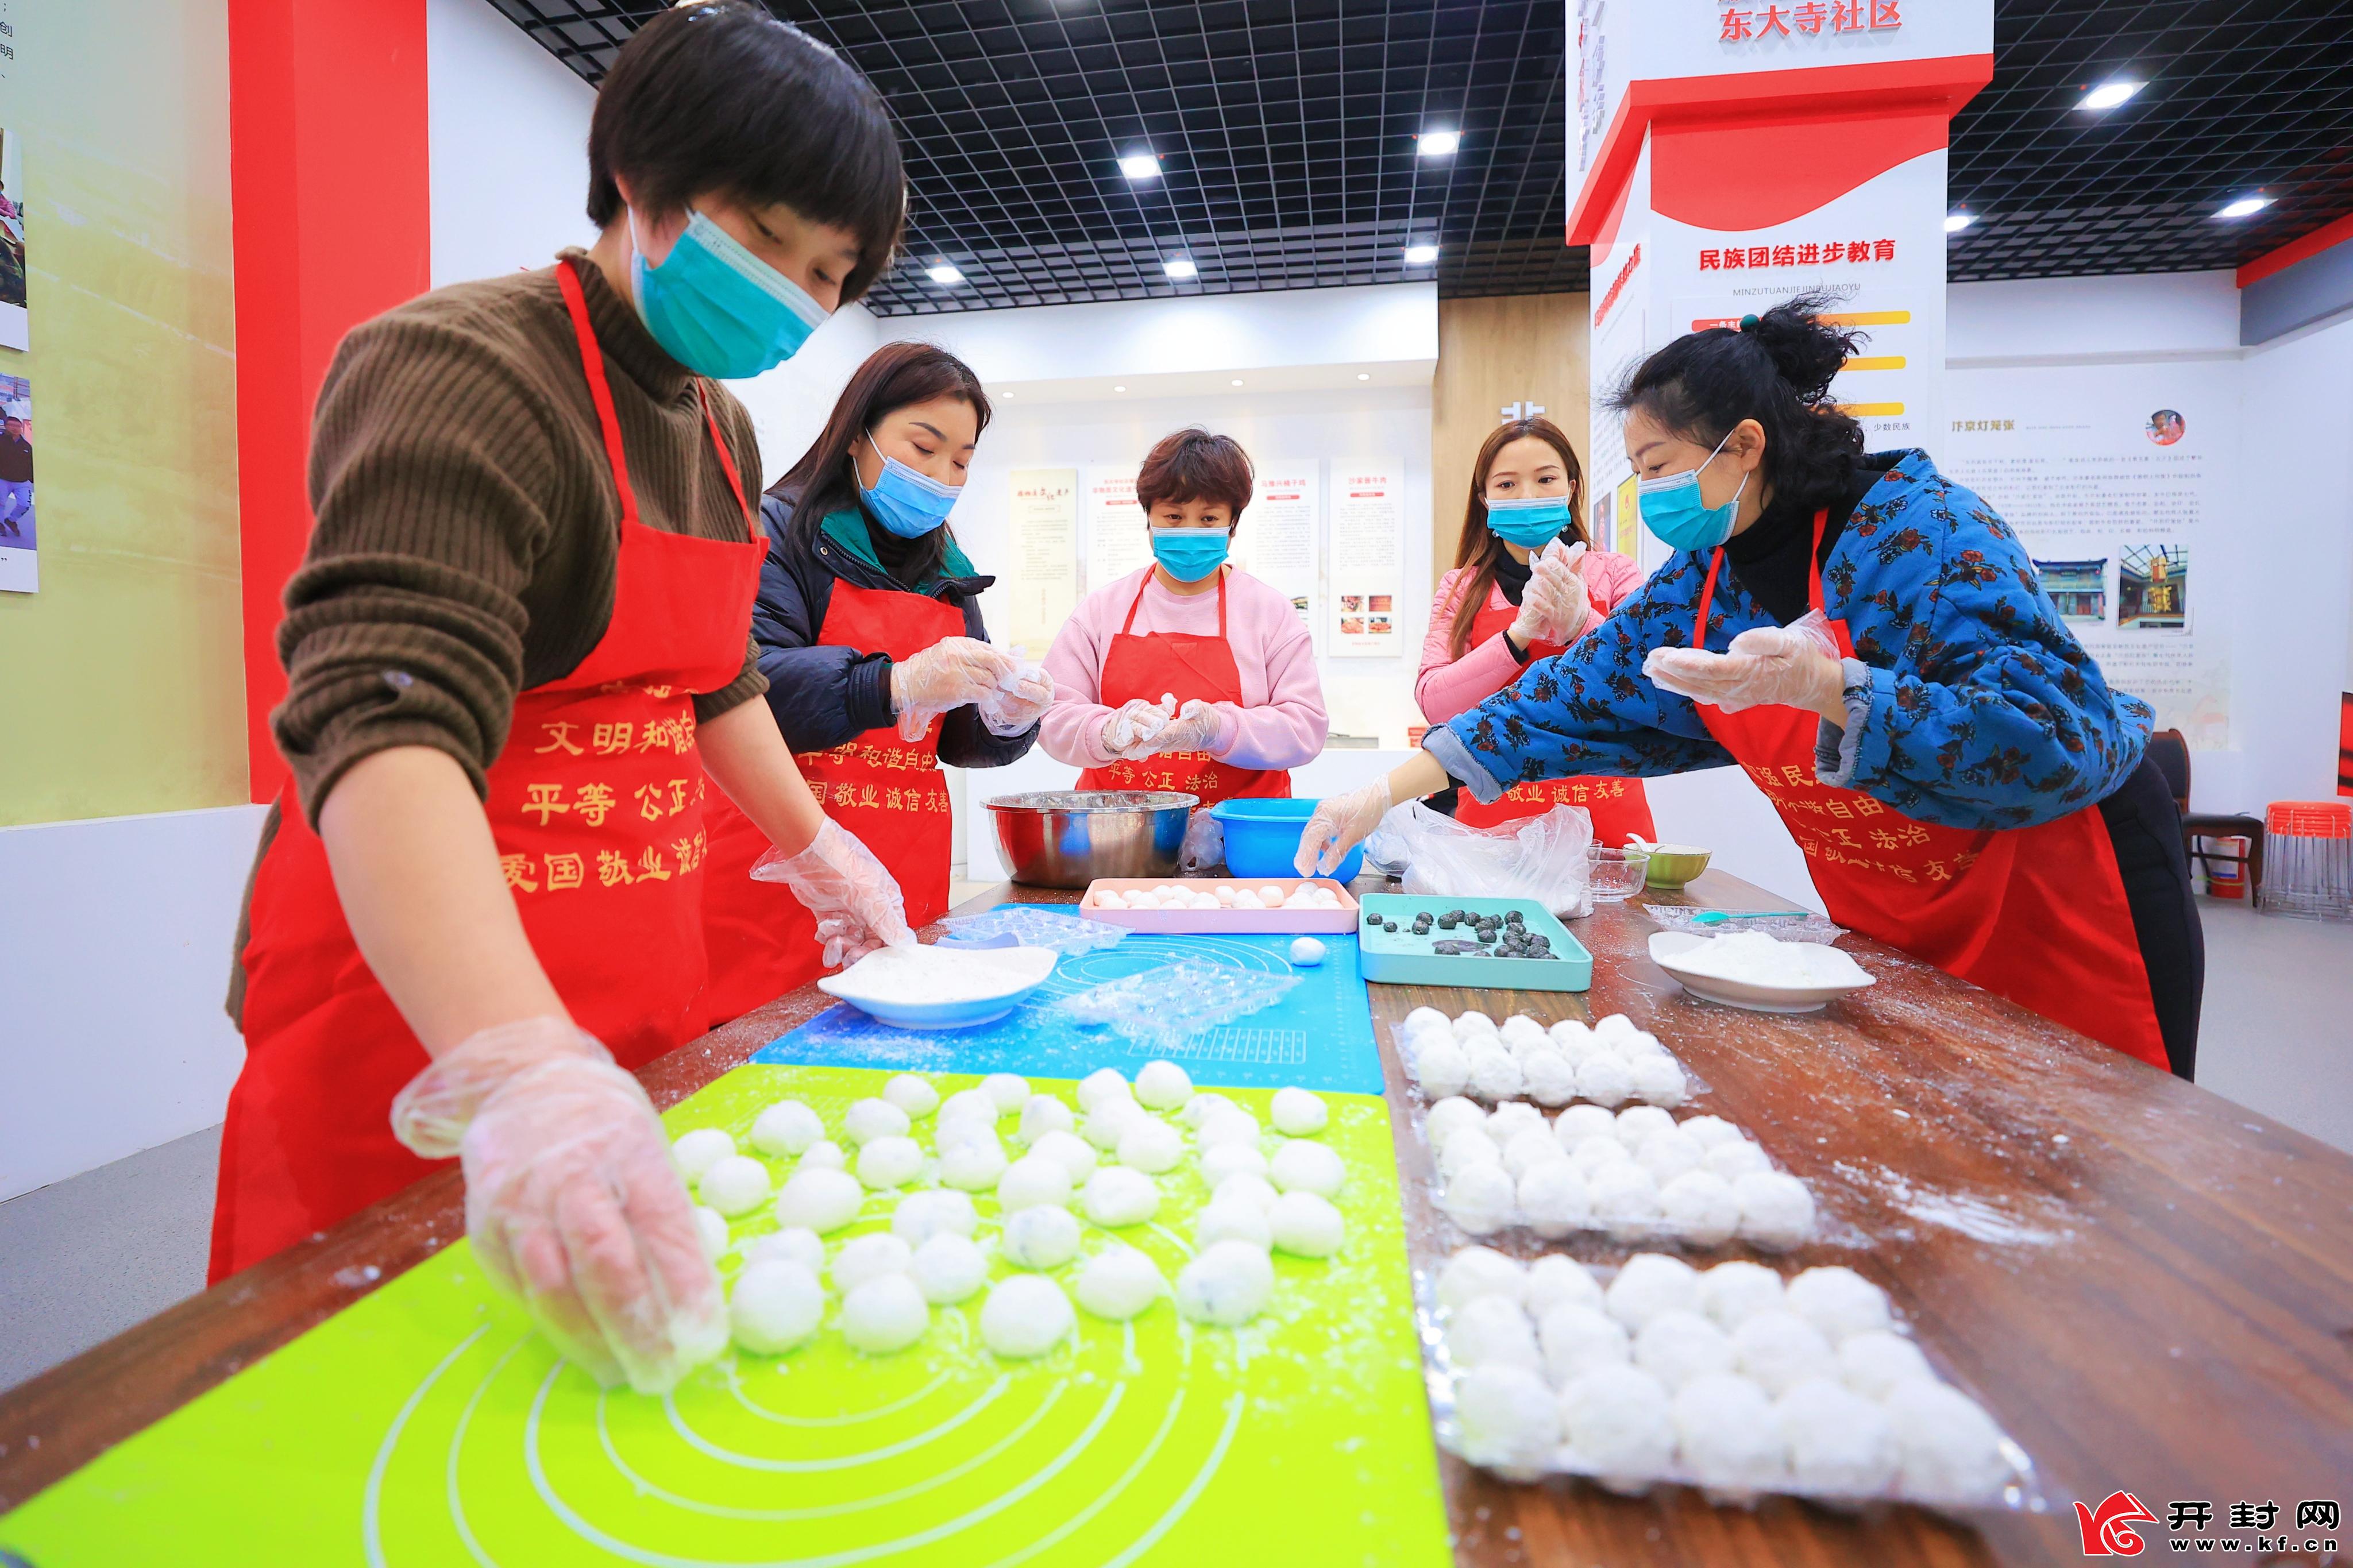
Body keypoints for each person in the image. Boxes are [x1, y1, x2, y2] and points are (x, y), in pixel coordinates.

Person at [211, 2, 915, 1391]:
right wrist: (519, 1063)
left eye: (831, 273)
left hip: (631, 976)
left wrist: (817, 851)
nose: (795, 295)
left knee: (589, 1405)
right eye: (768, 238)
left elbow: (713, 677)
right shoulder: (467, 365)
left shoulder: (721, 423)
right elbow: (386, 708)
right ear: (642, 180)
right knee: (366, 1402)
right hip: (429, 1003)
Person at [1299, 295, 2201, 1077]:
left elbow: (2055, 732)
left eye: (1655, 466)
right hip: (1899, 907)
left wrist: (1835, 689)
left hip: (2065, 894)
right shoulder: (1707, 583)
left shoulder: (1923, 534)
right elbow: (1566, 696)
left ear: (1744, 446)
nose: (1649, 491)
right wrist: (1384, 791)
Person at [699, 343, 1048, 1026]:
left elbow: (956, 739)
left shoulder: (948, 565)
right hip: (782, 871)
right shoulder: (778, 533)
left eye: (961, 461)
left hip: (902, 870)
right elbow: (748, 688)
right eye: (923, 448)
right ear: (859, 433)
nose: (942, 476)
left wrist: (1005, 718)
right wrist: (894, 683)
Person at [1041, 427, 1325, 801]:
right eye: (1174, 517)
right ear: (1149, 521)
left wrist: (1218, 729)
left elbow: (1305, 728)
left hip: (1234, 838)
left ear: (1233, 525)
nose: (1190, 530)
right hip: (1122, 839)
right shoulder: (1103, 611)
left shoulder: (1269, 612)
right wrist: (1108, 731)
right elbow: (1052, 715)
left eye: (1208, 519)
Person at [1418, 415, 1654, 845]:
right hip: (1496, 816)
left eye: (1546, 479)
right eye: (1507, 484)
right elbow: (1434, 702)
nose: (1527, 495)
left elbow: (1646, 684)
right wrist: (1517, 636)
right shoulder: (1460, 588)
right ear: (1485, 499)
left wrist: (1582, 626)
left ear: (1572, 487)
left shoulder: (1617, 573)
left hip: (1604, 808)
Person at [0, 412, 29, 538]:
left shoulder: (27, 446)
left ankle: (11, 520)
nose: (14, 428)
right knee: (1, 503)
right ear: (6, 426)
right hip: (3, 479)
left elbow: (32, 464)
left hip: (21, 481)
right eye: (11, 425)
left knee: (25, 504)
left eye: (18, 425)